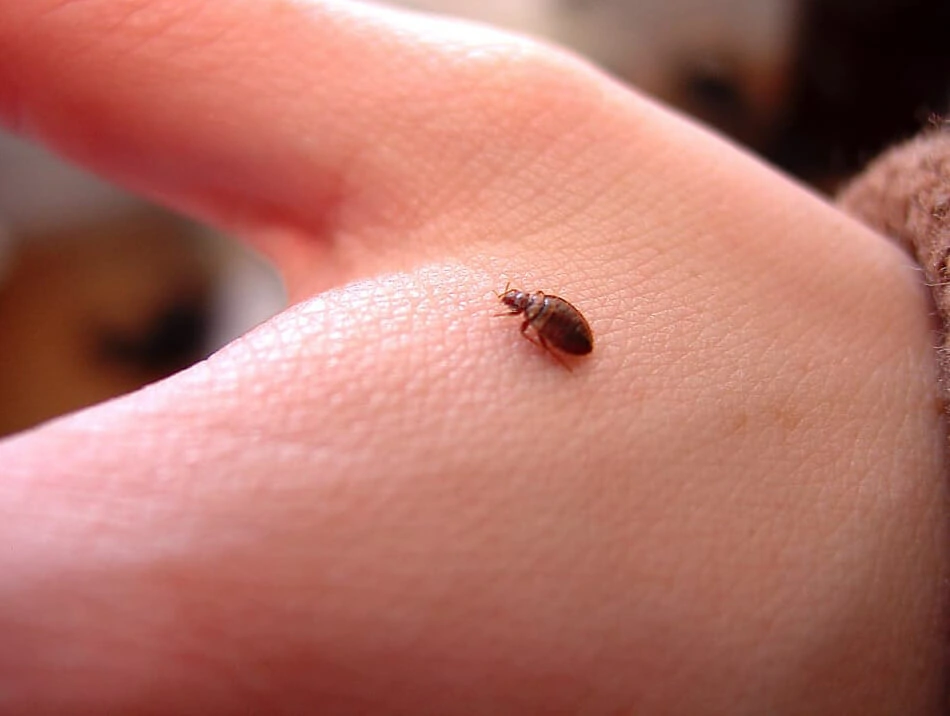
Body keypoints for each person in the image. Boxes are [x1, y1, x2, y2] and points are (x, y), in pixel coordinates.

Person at [0, 0, 945, 712]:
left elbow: (563, 334)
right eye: (528, 313)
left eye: (525, 309)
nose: (525, 316)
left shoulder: (547, 320)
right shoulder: (536, 315)